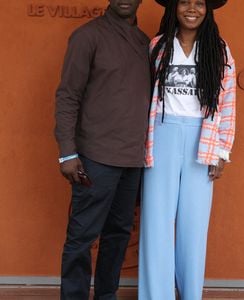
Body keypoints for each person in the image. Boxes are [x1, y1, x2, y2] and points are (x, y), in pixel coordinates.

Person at [139, 0, 236, 299]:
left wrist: (221, 151)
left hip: (201, 139)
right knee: (156, 222)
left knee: (194, 226)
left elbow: (228, 101)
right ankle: (158, 295)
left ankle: (191, 293)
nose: (191, 9)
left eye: (199, 3)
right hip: (163, 136)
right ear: (174, 8)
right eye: (184, 2)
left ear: (208, 9)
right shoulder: (158, 46)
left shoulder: (219, 50)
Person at [54, 0, 150, 298]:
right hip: (94, 156)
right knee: (82, 235)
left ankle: (106, 294)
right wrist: (67, 152)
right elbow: (68, 95)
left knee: (119, 234)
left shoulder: (146, 42)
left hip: (134, 158)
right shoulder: (87, 36)